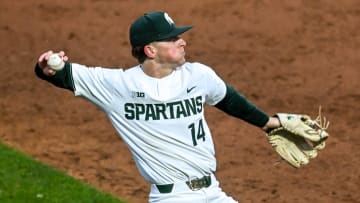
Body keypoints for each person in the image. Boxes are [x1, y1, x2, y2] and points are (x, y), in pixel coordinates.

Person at [35, 11, 281, 203]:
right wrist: (46, 67)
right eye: (172, 39)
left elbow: (228, 99)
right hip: (172, 197)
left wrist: (268, 123)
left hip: (213, 192)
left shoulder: (198, 75)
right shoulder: (118, 86)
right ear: (151, 50)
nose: (182, 41)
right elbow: (63, 75)